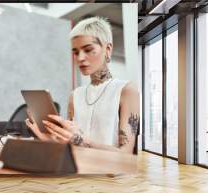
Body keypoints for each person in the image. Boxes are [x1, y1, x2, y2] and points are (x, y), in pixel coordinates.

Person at [25, 17, 140, 154]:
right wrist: (48, 138)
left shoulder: (127, 91)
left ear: (107, 49)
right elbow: (70, 145)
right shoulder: (75, 95)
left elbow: (126, 153)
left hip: (110, 173)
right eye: (75, 52)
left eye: (88, 50)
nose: (80, 58)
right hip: (78, 170)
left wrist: (81, 140)